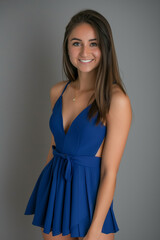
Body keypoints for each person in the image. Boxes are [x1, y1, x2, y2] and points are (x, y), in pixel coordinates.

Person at [24, 9, 132, 240]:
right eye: (76, 43)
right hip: (55, 196)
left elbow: (109, 172)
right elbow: (54, 149)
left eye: (93, 43)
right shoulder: (57, 91)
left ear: (105, 48)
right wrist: (48, 195)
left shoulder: (116, 100)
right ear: (67, 47)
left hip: (91, 200)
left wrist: (95, 229)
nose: (85, 52)